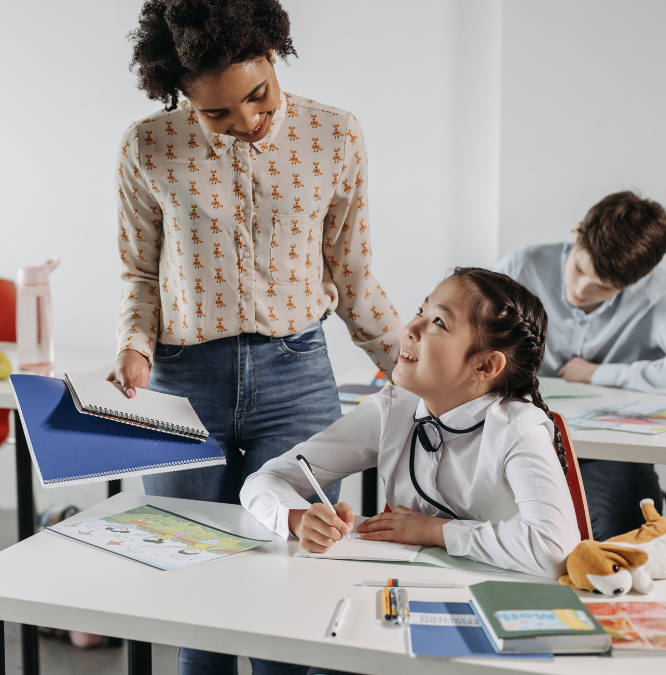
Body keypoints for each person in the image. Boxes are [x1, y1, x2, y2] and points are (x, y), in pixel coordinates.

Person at [111, 3, 402, 672]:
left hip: (296, 375)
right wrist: (134, 345)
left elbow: (353, 276)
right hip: (182, 383)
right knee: (196, 580)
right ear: (181, 95)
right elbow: (140, 271)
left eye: (258, 95)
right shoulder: (148, 146)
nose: (246, 121)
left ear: (274, 55)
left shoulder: (334, 135)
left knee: (294, 575)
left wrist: (417, 369)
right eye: (217, 112)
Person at [242, 267, 579, 581]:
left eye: (439, 323)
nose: (409, 330)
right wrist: (297, 518)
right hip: (403, 592)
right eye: (420, 311)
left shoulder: (517, 429)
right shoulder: (391, 410)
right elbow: (265, 480)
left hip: (499, 598)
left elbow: (554, 550)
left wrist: (433, 530)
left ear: (485, 366)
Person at [495, 191, 666, 540]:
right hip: (516, 439)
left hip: (610, 454)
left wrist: (599, 374)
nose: (582, 289)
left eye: (604, 287)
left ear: (643, 275)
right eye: (579, 269)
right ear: (578, 232)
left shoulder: (658, 294)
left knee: (617, 531)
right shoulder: (520, 268)